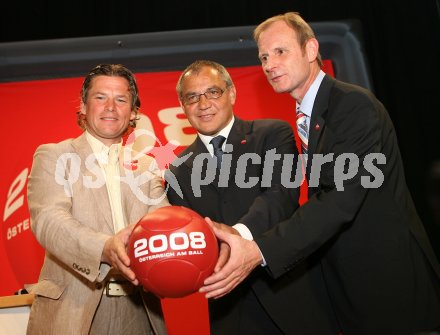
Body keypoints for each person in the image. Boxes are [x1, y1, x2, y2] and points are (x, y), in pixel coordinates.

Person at [199, 12, 440, 335]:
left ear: (311, 50)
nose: (269, 64)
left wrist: (259, 250)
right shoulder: (310, 115)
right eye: (264, 57)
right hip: (356, 293)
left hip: (390, 289)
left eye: (280, 52)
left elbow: (340, 200)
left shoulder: (352, 106)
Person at [165, 60, 338, 334]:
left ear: (231, 93)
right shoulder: (177, 170)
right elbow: (191, 240)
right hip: (230, 310)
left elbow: (281, 195)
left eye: (213, 92)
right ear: (183, 105)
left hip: (291, 294)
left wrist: (236, 235)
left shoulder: (272, 134)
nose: (203, 103)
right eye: (192, 97)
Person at [26, 64, 169, 335]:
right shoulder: (54, 155)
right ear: (83, 106)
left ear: (133, 112)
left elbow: (161, 225)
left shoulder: (147, 166)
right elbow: (49, 221)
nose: (111, 107)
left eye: (121, 99)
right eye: (100, 97)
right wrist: (104, 247)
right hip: (73, 309)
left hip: (139, 309)